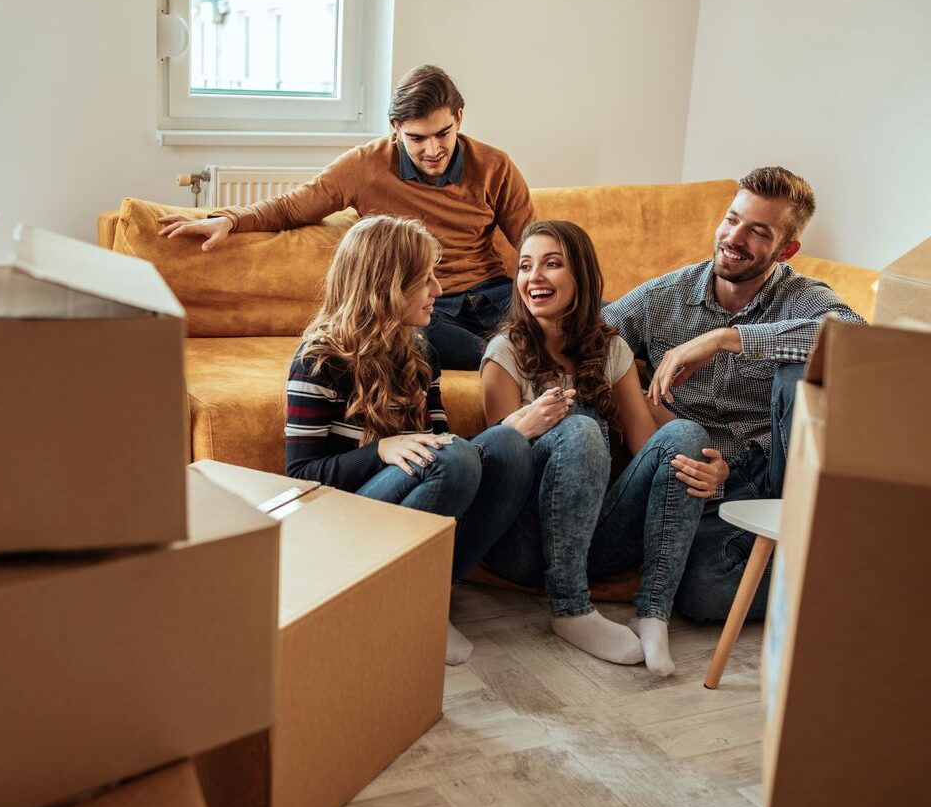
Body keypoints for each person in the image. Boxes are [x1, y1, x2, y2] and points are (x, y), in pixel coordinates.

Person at [602, 166, 866, 624]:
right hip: (702, 477)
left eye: (757, 231)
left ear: (787, 250)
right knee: (704, 595)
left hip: (775, 469)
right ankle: (828, 572)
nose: (734, 237)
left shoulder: (800, 295)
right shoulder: (666, 295)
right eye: (732, 219)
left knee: (800, 373)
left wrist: (727, 337)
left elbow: (853, 337)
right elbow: (596, 338)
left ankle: (806, 536)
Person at [159, 65, 533, 370]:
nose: (433, 150)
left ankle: (527, 350)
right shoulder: (363, 167)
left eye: (442, 134)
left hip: (493, 295)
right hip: (422, 309)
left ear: (459, 118)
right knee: (409, 334)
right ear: (396, 129)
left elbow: (532, 239)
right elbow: (292, 206)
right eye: (417, 139)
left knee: (592, 314)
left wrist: (557, 292)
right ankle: (522, 356)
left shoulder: (494, 165)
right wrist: (231, 219)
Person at [284, 214, 535, 665]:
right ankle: (398, 600)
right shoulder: (318, 361)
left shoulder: (421, 352)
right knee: (455, 459)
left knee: (510, 446)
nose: (439, 290)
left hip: (403, 501)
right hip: (342, 521)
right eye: (425, 280)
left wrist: (504, 435)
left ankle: (433, 595)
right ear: (386, 285)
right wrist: (379, 451)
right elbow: (300, 478)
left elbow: (441, 442)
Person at [480, 220, 727, 676]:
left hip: (595, 538)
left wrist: (711, 470)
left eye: (552, 264)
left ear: (582, 276)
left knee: (686, 435)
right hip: (522, 544)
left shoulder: (609, 349)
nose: (534, 276)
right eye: (525, 266)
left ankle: (653, 612)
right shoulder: (505, 353)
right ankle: (570, 610)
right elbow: (499, 466)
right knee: (581, 428)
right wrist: (536, 424)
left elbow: (646, 446)